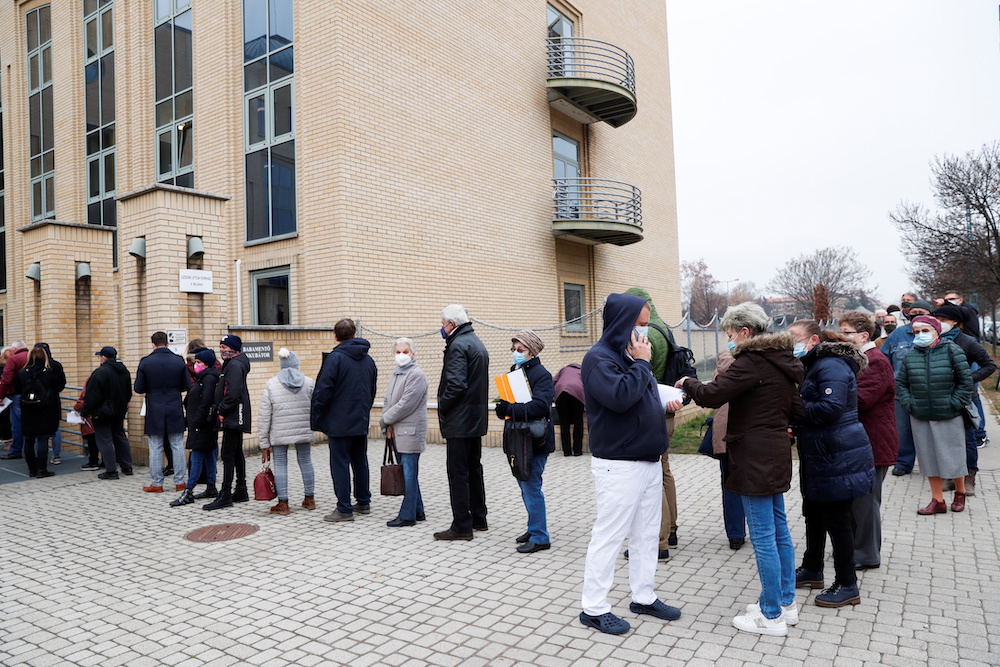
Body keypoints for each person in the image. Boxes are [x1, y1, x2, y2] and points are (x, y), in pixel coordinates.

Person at [681, 302, 801, 637]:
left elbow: (712, 394)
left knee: (763, 535)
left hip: (753, 456)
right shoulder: (783, 360)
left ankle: (771, 615)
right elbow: (798, 409)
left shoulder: (750, 361)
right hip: (775, 451)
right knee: (779, 530)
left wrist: (688, 382)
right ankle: (785, 602)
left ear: (745, 332)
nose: (729, 340)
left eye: (731, 334)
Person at [578, 293, 682, 636]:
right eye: (640, 324)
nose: (645, 332)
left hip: (649, 461)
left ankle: (643, 596)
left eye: (647, 324)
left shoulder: (631, 357)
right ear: (622, 323)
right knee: (609, 535)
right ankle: (593, 607)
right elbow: (620, 397)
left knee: (646, 534)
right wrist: (641, 364)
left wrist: (661, 402)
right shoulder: (599, 359)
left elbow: (639, 394)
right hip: (619, 466)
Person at [788, 322, 874, 609]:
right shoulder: (813, 364)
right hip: (820, 453)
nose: (791, 344)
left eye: (794, 338)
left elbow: (830, 408)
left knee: (838, 521)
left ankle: (847, 585)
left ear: (813, 339)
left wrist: (792, 411)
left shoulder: (832, 365)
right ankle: (812, 569)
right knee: (813, 512)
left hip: (838, 454)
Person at [625, 286, 683, 557]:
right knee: (664, 471)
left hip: (651, 412)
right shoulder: (665, 329)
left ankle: (658, 542)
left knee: (653, 477)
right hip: (668, 410)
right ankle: (671, 530)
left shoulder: (643, 336)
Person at [896, 315, 973, 514]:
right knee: (928, 458)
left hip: (948, 413)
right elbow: (902, 383)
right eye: (916, 332)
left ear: (937, 331)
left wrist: (954, 403)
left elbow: (966, 382)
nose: (921, 335)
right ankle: (937, 500)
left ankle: (960, 492)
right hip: (920, 414)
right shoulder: (911, 355)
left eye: (925, 331)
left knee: (953, 456)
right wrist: (909, 403)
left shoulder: (952, 350)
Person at [838, 311, 897, 570]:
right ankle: (853, 549)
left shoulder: (875, 361)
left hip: (874, 441)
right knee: (854, 501)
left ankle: (867, 555)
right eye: (840, 331)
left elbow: (862, 400)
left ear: (864, 335)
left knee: (866, 502)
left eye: (846, 332)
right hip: (859, 441)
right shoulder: (858, 359)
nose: (841, 337)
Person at [494, 330, 555, 554]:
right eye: (514, 349)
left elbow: (540, 405)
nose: (516, 353)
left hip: (536, 438)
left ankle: (540, 536)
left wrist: (509, 408)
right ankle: (533, 527)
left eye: (521, 350)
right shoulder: (515, 371)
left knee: (531, 485)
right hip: (518, 435)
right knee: (524, 483)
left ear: (532, 351)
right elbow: (512, 400)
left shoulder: (541, 374)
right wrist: (503, 408)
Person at [433, 304, 490, 541]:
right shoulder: (476, 342)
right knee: (473, 468)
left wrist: (442, 406)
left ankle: (461, 526)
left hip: (460, 420)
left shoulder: (457, 345)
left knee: (458, 473)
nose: (441, 328)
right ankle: (479, 518)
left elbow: (456, 385)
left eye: (443, 323)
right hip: (474, 418)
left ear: (452, 324)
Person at [312, 319, 377, 523]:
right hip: (360, 419)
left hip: (339, 421)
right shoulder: (369, 360)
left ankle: (344, 508)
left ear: (335, 336)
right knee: (360, 461)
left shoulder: (335, 358)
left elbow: (323, 390)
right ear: (355, 334)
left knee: (340, 464)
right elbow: (372, 389)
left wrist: (317, 414)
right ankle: (364, 501)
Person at [934, 304, 995, 496]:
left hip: (965, 398)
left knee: (968, 439)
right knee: (944, 439)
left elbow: (989, 365)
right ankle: (949, 476)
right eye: (938, 320)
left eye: (944, 320)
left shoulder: (968, 342)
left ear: (956, 323)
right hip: (941, 397)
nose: (940, 324)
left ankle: (969, 477)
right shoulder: (933, 340)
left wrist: (969, 379)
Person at [259, 348, 317, 515]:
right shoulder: (309, 383)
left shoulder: (271, 384)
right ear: (297, 365)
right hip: (304, 429)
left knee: (280, 464)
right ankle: (310, 499)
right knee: (306, 461)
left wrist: (264, 442)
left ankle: (283, 503)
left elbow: (264, 415)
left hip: (279, 432)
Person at [135, 332, 192, 494]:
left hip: (154, 408)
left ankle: (157, 483)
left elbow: (138, 388)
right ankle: (180, 482)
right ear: (167, 343)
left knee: (155, 447)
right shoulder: (178, 360)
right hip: (174, 406)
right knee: (177, 445)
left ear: (153, 344)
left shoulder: (146, 362)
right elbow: (186, 385)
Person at [379, 338, 428, 527]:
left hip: (410, 431)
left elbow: (406, 404)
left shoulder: (416, 375)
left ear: (413, 354)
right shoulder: (396, 373)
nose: (401, 355)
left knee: (408, 473)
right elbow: (388, 400)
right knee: (408, 473)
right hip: (397, 430)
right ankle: (418, 510)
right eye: (398, 352)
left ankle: (407, 516)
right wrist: (387, 421)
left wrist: (386, 418)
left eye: (405, 352)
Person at [881, 299, 933, 476]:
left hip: (929, 392)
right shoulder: (897, 334)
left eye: (921, 312)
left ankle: (932, 465)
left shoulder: (935, 335)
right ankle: (903, 463)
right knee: (902, 430)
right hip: (901, 392)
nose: (917, 315)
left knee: (928, 430)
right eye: (913, 312)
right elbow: (884, 360)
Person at [203, 335, 252, 510]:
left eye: (225, 346)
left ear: (234, 348)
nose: (222, 349)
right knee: (236, 451)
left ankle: (225, 494)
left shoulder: (235, 365)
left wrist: (221, 409)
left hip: (233, 414)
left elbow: (233, 392)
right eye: (220, 346)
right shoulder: (232, 363)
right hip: (233, 412)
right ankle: (241, 489)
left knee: (228, 453)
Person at [707, 341, 747, 550]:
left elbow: (712, 393)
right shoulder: (755, 364)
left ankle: (735, 534)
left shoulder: (723, 364)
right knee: (753, 483)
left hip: (725, 431)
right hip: (750, 433)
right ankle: (759, 529)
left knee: (729, 483)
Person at [171, 348, 221, 506]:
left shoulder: (209, 379)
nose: (196, 365)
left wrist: (196, 422)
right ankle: (211, 486)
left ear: (206, 364)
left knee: (197, 455)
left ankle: (189, 490)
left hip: (202, 424)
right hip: (202, 423)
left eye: (199, 362)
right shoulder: (205, 377)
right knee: (208, 453)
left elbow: (206, 402)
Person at [80, 346, 133, 480]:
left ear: (104, 357)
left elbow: (92, 396)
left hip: (102, 411)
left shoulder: (100, 372)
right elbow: (128, 393)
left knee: (104, 439)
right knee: (120, 436)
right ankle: (127, 466)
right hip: (119, 409)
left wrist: (85, 412)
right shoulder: (124, 371)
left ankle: (111, 470)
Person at [14, 347, 66, 478]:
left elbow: (17, 388)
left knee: (29, 439)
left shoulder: (22, 372)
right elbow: (60, 386)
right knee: (43, 438)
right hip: (46, 408)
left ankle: (32, 470)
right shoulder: (50, 371)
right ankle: (42, 470)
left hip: (27, 408)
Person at [0, 340, 30, 460]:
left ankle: (16, 450)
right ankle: (33, 449)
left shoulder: (14, 359)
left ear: (14, 349)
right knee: (32, 423)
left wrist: (0, 395)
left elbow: (6, 379)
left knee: (17, 424)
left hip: (17, 394)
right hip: (35, 395)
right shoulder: (32, 356)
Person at [553, 363, 585, 457]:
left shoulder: (563, 369)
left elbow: (553, 381)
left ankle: (566, 451)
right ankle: (577, 451)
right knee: (578, 421)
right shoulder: (582, 371)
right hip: (577, 392)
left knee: (564, 423)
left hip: (560, 392)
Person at [73, 380, 100, 471]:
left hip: (90, 420)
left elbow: (82, 403)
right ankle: (105, 462)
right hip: (102, 416)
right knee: (103, 441)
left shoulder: (90, 385)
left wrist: (77, 407)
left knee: (92, 442)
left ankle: (93, 462)